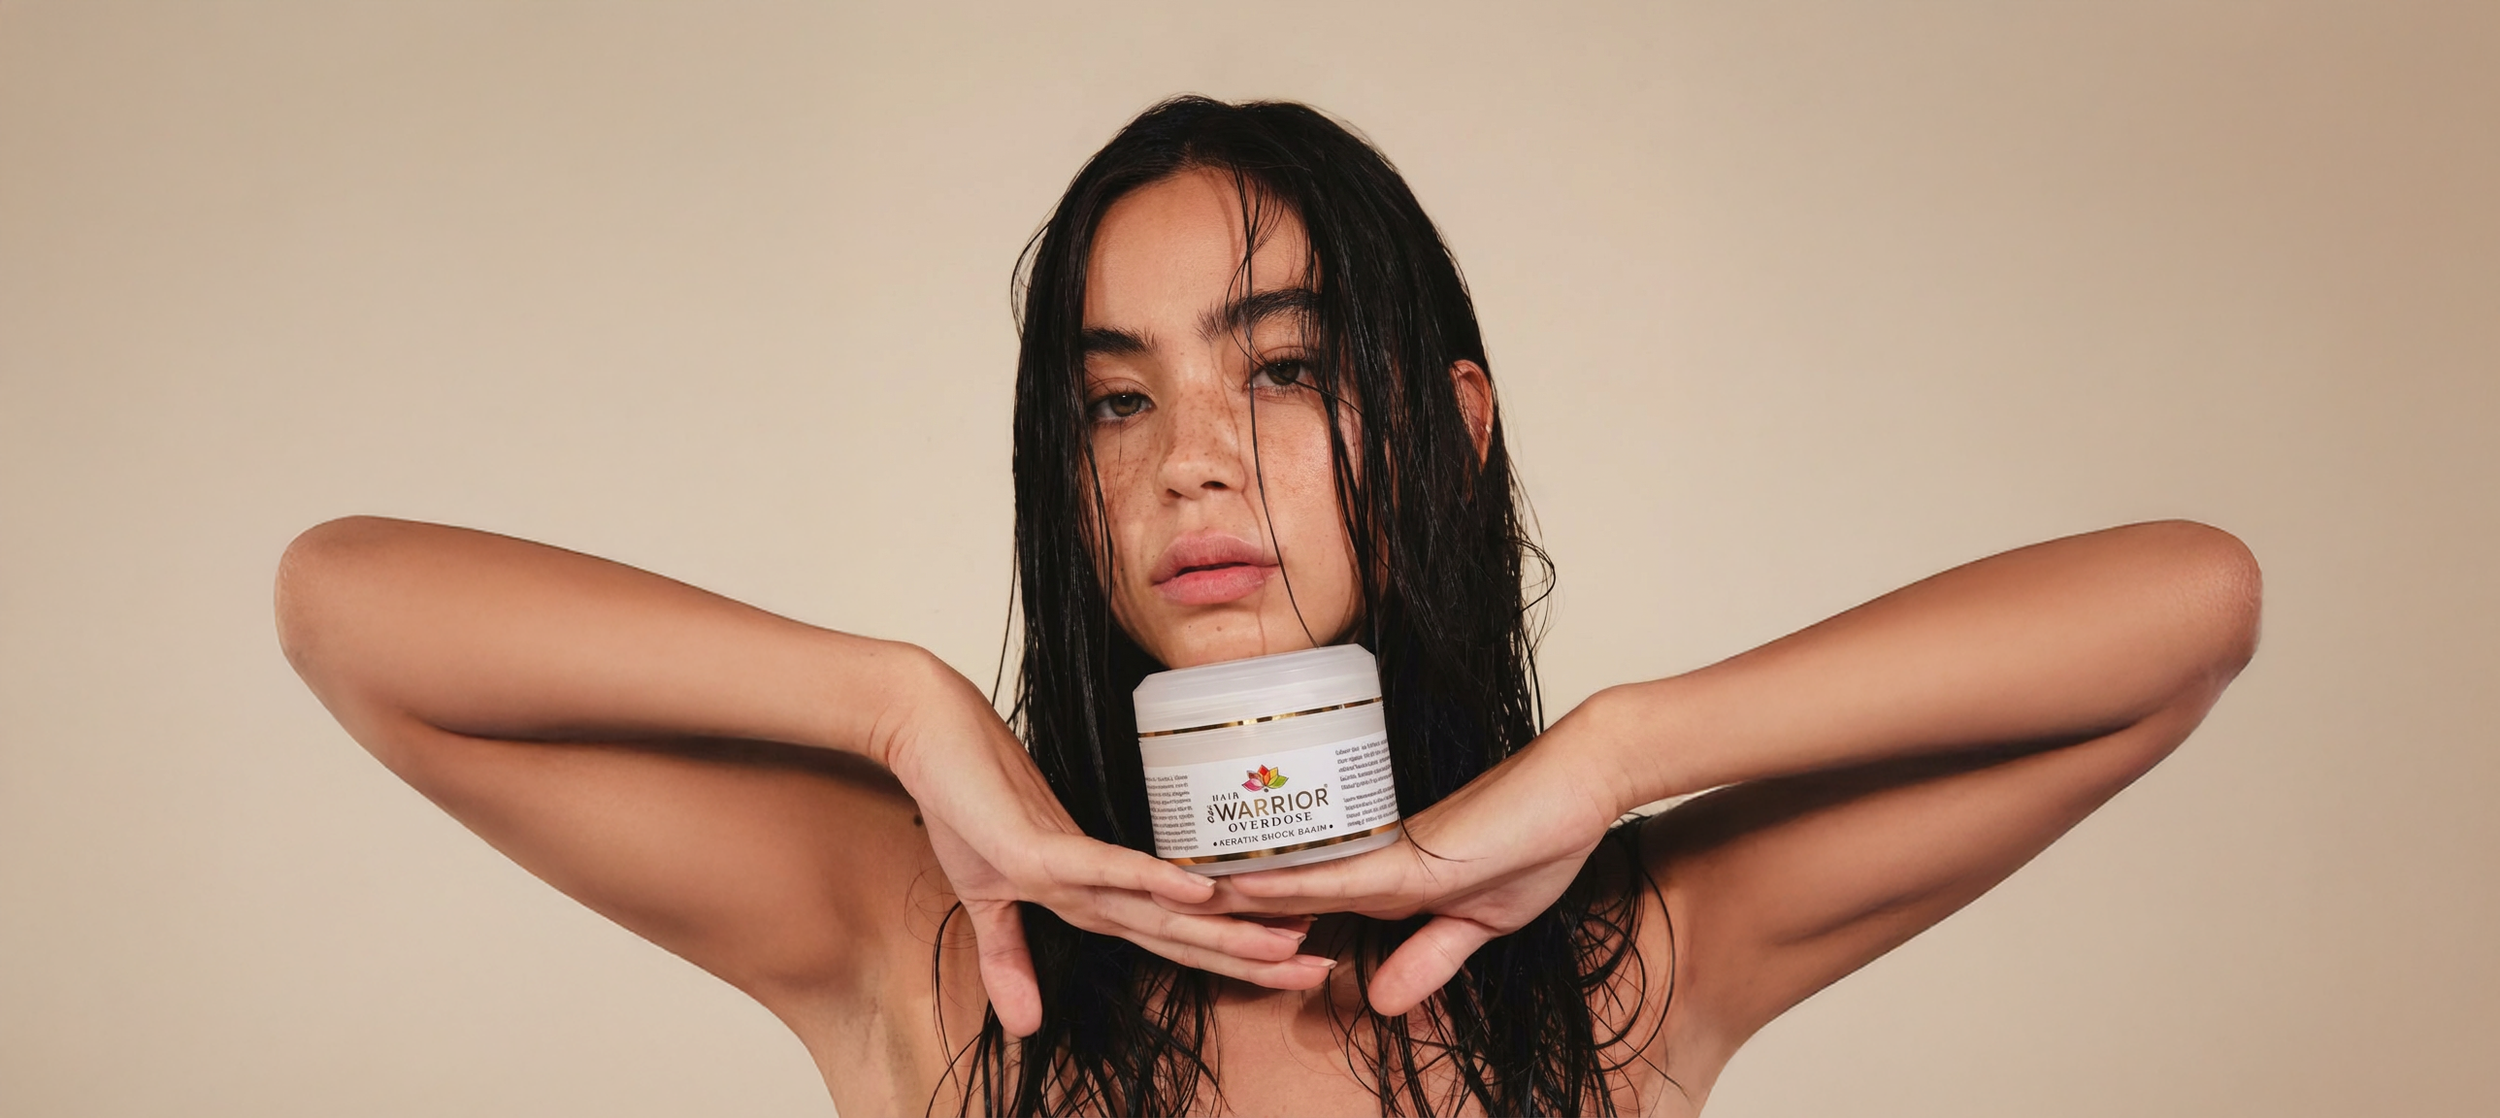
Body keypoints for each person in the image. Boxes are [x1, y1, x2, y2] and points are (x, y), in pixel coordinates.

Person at [274, 96, 2260, 1117]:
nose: (1185, 464)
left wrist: (1614, 756)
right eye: (1112, 398)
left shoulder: (1619, 972)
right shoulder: (936, 951)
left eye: (1283, 368)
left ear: (1449, 429)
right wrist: (893, 707)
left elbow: (2182, 608)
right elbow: (349, 609)